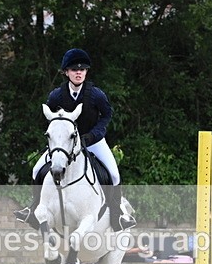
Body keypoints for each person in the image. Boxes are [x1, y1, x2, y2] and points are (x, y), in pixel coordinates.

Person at [15, 48, 136, 232]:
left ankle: (117, 215)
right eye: (74, 70)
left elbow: (107, 115)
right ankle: (33, 209)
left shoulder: (96, 95)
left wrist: (94, 134)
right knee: (36, 169)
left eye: (82, 69)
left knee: (114, 174)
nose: (79, 72)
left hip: (93, 142)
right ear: (66, 72)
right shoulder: (56, 95)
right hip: (64, 145)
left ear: (86, 72)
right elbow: (50, 119)